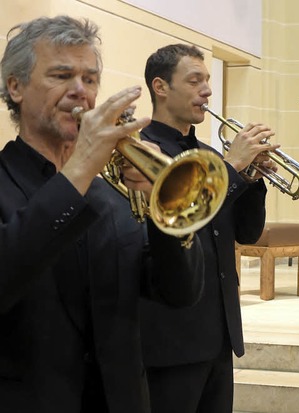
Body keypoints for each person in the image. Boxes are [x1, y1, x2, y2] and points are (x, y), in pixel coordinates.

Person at [0, 16, 205, 413]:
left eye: (91, 79)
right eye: (62, 75)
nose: (81, 92)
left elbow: (179, 293)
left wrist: (168, 210)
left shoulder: (110, 193)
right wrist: (78, 170)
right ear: (16, 86)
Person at [138, 43, 277, 413]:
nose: (207, 91)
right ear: (161, 87)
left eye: (208, 80)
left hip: (218, 332)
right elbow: (186, 221)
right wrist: (232, 168)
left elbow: (247, 234)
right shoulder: (143, 153)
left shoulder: (211, 155)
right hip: (171, 336)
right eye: (195, 80)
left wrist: (253, 178)